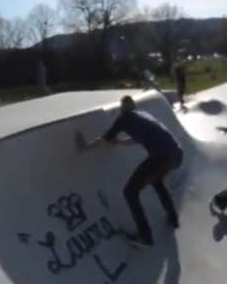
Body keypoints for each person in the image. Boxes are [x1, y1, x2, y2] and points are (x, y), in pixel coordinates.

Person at [76, 95, 183, 247]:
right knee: (157, 181)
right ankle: (173, 218)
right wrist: (120, 142)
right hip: (177, 155)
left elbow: (105, 139)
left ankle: (145, 237)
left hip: (160, 157)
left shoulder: (123, 119)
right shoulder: (144, 115)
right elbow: (140, 138)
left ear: (122, 109)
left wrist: (86, 146)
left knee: (130, 192)